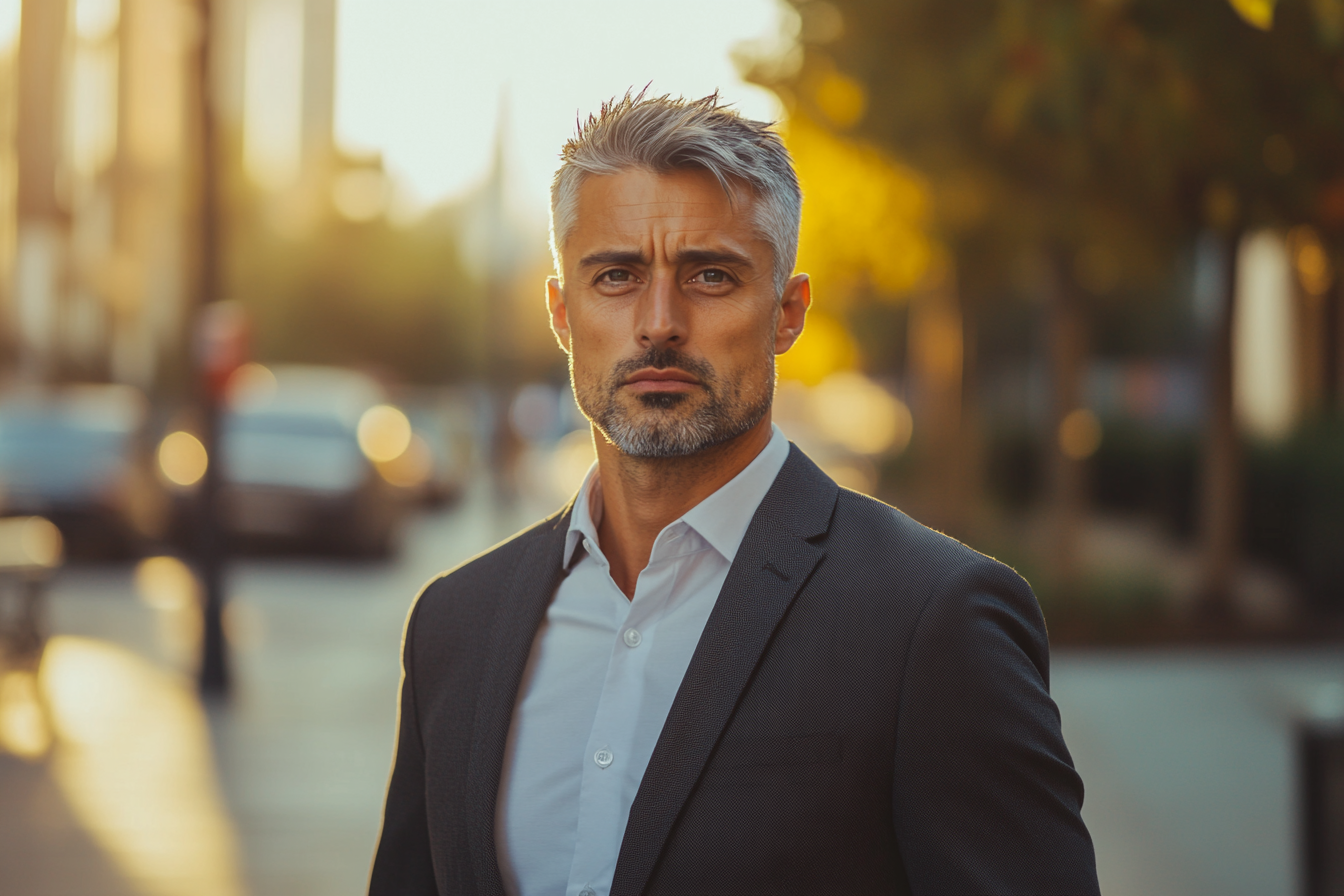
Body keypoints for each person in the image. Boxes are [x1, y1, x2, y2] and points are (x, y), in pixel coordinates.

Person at [369, 92, 1099, 896]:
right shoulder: (454, 624)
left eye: (710, 276)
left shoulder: (934, 619)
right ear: (562, 313)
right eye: (615, 276)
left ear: (787, 314)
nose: (658, 323)